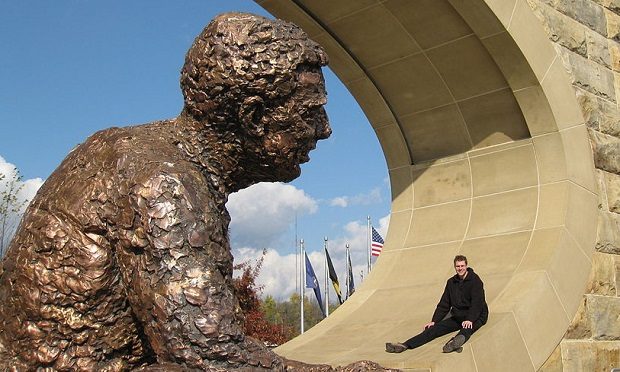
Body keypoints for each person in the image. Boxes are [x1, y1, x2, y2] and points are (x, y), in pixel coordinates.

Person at [386, 255, 488, 354]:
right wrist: (434, 321)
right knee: (435, 329)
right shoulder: (451, 282)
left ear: (466, 266)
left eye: (462, 266)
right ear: (455, 267)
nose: (460, 268)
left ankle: (453, 343)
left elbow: (477, 302)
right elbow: (444, 304)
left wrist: (470, 319)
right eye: (458, 266)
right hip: (459, 316)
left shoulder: (475, 280)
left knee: (467, 328)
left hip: (477, 315)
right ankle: (405, 345)